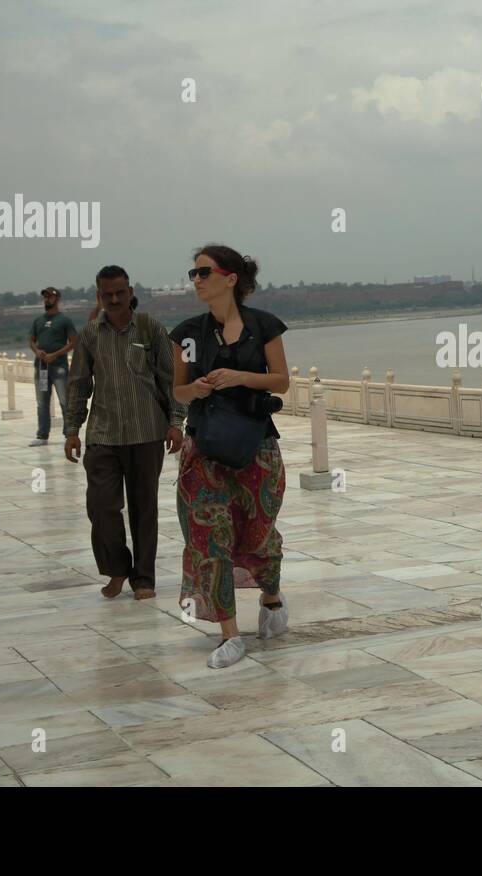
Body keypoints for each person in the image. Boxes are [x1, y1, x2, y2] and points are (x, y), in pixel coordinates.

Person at [171, 245, 291, 669]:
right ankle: (229, 633)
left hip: (256, 447)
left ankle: (272, 599)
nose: (197, 279)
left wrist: (240, 377)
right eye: (194, 273)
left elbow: (282, 382)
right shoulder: (187, 333)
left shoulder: (264, 327)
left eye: (204, 272)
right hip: (204, 449)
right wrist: (198, 389)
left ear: (230, 278)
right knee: (210, 539)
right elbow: (178, 390)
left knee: (258, 536)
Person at [64, 266, 184, 601]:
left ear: (130, 291)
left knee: (144, 509)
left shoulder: (149, 328)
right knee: (101, 507)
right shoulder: (90, 334)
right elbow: (78, 385)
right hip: (103, 435)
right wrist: (72, 429)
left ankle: (143, 577)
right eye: (107, 294)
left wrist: (176, 422)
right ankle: (117, 568)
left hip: (147, 433)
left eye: (119, 293)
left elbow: (169, 378)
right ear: (99, 295)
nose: (114, 300)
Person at [29, 287, 78, 447]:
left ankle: (69, 433)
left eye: (50, 297)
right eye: (45, 297)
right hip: (42, 368)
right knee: (42, 402)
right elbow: (31, 341)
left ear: (57, 299)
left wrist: (56, 354)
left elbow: (73, 342)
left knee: (65, 400)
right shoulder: (38, 321)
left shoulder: (64, 320)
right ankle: (42, 435)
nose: (47, 300)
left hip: (59, 368)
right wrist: (37, 351)